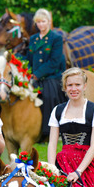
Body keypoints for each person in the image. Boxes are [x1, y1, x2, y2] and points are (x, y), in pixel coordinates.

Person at [25, 8, 66, 137]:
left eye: (43, 21)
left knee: (48, 96)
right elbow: (29, 58)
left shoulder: (56, 38)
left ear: (49, 22)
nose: (41, 25)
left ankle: (48, 132)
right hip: (34, 76)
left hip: (51, 76)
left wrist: (37, 74)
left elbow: (54, 62)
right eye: (38, 22)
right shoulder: (33, 39)